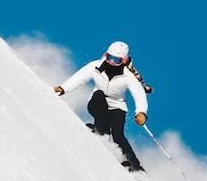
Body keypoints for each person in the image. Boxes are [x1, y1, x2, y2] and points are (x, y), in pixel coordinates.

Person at [54, 41, 148, 172]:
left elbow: (139, 94)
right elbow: (79, 78)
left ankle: (135, 166)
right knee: (99, 96)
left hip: (117, 106)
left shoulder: (128, 76)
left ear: (124, 60)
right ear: (105, 55)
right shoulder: (95, 66)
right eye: (109, 58)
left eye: (116, 60)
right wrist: (63, 88)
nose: (111, 62)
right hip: (98, 102)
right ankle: (101, 130)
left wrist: (141, 112)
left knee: (118, 135)